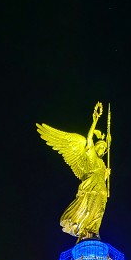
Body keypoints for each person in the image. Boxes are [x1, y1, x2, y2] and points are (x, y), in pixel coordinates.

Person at [36, 102, 111, 241]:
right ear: (96, 147)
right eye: (100, 146)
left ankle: (94, 231)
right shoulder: (91, 155)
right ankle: (85, 232)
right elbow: (89, 139)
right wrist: (95, 121)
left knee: (99, 210)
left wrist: (105, 175)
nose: (102, 149)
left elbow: (101, 178)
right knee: (88, 208)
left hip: (101, 188)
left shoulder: (101, 163)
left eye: (104, 148)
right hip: (90, 187)